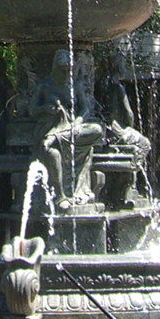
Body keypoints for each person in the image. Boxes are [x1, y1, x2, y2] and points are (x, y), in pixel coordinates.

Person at [29, 48, 103, 208]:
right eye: (62, 69)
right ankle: (60, 196)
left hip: (70, 130)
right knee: (52, 153)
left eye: (68, 69)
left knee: (97, 130)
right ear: (55, 67)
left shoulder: (74, 85)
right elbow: (32, 110)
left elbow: (85, 109)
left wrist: (77, 121)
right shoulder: (44, 86)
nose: (66, 73)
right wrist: (46, 109)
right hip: (49, 128)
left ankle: (56, 138)